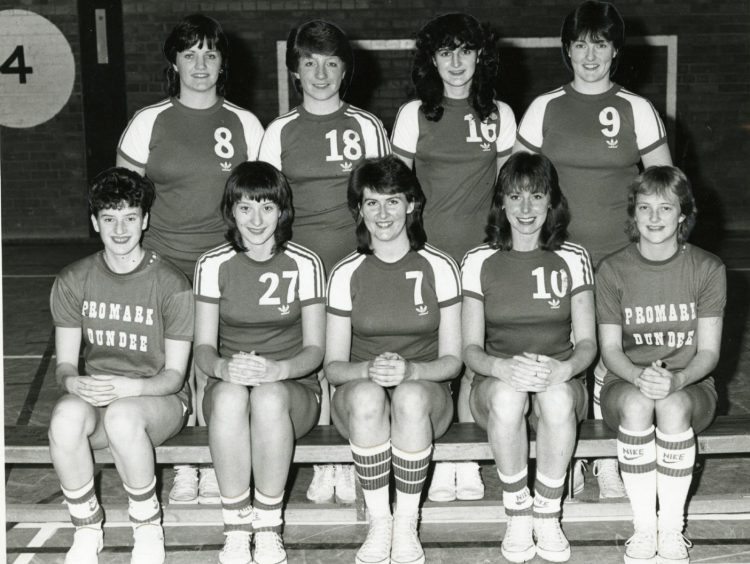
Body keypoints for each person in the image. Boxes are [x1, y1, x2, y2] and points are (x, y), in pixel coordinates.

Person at [515, 0, 673, 497]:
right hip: (558, 254)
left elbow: (666, 187)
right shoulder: (545, 106)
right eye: (580, 43)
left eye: (600, 43)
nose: (589, 54)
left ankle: (607, 456)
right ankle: (568, 455)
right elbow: (518, 184)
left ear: (615, 51)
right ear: (566, 49)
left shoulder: (637, 109)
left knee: (610, 360)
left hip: (620, 255)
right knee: (565, 358)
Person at [117, 13, 264, 505]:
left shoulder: (245, 123)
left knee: (214, 361)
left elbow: (263, 198)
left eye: (210, 53)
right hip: (166, 264)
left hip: (227, 264)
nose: (200, 64)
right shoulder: (148, 121)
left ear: (223, 62)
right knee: (169, 365)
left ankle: (211, 454)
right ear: (174, 62)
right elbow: (124, 198)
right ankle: (184, 461)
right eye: (189, 53)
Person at [259, 19, 390, 504]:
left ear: (345, 70)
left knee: (349, 360)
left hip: (357, 261)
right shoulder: (279, 131)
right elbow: (264, 202)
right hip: (300, 263)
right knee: (309, 360)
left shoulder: (368, 126)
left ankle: (349, 456)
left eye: (331, 63)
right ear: (295, 70)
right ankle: (323, 460)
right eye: (310, 63)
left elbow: (384, 199)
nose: (320, 73)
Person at [391, 12, 516, 502]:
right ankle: (441, 461)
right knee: (437, 358)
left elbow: (510, 191)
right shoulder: (413, 115)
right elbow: (394, 189)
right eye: (446, 52)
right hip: (428, 255)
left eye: (466, 51)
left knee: (471, 355)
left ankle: (464, 461)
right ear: (432, 60)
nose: (457, 62)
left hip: (484, 255)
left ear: (480, 56)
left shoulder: (499, 115)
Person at [47, 168, 194, 564]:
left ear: (145, 220)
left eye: (130, 217)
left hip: (157, 400)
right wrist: (74, 383)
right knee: (64, 418)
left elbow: (175, 377)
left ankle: (147, 527)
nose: (120, 228)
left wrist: (129, 389)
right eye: (109, 218)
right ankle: (86, 528)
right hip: (101, 396)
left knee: (123, 417)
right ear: (95, 223)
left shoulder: (170, 283)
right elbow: (63, 366)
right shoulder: (73, 279)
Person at [326, 155, 462, 564]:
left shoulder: (440, 265)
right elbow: (333, 366)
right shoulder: (346, 271)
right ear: (359, 209)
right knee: (369, 396)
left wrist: (411, 371)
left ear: (411, 205)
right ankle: (379, 521)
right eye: (371, 203)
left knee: (410, 396)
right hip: (358, 396)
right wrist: (367, 370)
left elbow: (452, 360)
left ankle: (406, 522)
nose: (382, 213)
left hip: (425, 393)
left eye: (392, 201)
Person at [462, 152, 596, 563]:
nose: (525, 209)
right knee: (507, 396)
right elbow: (470, 350)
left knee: (556, 398)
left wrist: (564, 369)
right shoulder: (478, 260)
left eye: (536, 197)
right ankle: (518, 511)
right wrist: (501, 367)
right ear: (501, 201)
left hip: (560, 376)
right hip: (497, 380)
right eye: (515, 197)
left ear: (551, 202)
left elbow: (588, 343)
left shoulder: (573, 258)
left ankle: (547, 511)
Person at [193, 161, 325, 564]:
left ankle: (268, 526)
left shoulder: (306, 262)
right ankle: (235, 527)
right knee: (233, 396)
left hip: (292, 389)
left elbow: (316, 350)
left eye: (267, 207)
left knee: (267, 397)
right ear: (231, 210)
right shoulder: (212, 263)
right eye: (246, 207)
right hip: (229, 385)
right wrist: (223, 369)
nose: (256, 219)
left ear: (282, 211)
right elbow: (202, 348)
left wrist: (278, 371)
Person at [597, 166, 725, 564]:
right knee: (638, 404)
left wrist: (677, 380)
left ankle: (670, 528)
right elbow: (610, 350)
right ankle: (643, 529)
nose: (654, 218)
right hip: (625, 381)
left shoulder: (707, 268)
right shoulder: (613, 269)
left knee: (669, 406)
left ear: (683, 214)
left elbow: (709, 352)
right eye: (645, 207)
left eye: (665, 208)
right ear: (633, 214)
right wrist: (638, 376)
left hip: (690, 384)